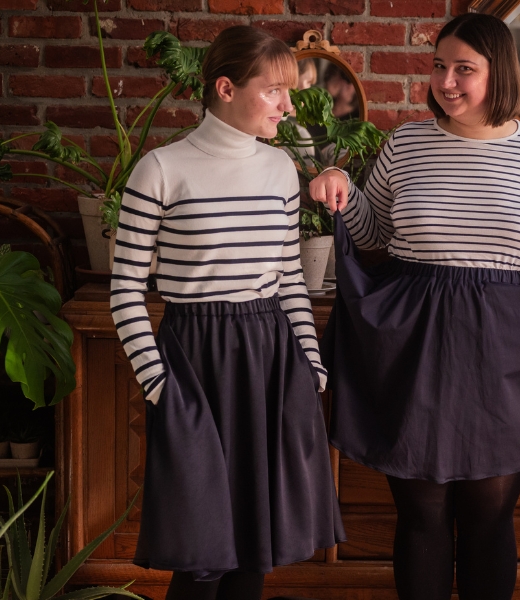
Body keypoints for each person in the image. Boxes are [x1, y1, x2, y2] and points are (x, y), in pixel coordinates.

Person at [308, 12, 520, 600]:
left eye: (464, 69)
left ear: (501, 74)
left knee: (490, 513)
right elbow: (370, 232)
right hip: (412, 345)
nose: (447, 82)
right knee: (419, 512)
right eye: (440, 66)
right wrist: (337, 181)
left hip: (504, 350)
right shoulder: (407, 143)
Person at [110, 25, 344, 600]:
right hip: (194, 360)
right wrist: (160, 384)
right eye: (274, 92)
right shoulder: (160, 170)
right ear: (224, 88)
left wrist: (310, 366)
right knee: (200, 550)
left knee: (254, 548)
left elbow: (289, 277)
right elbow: (124, 289)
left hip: (269, 357)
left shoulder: (279, 171)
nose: (289, 108)